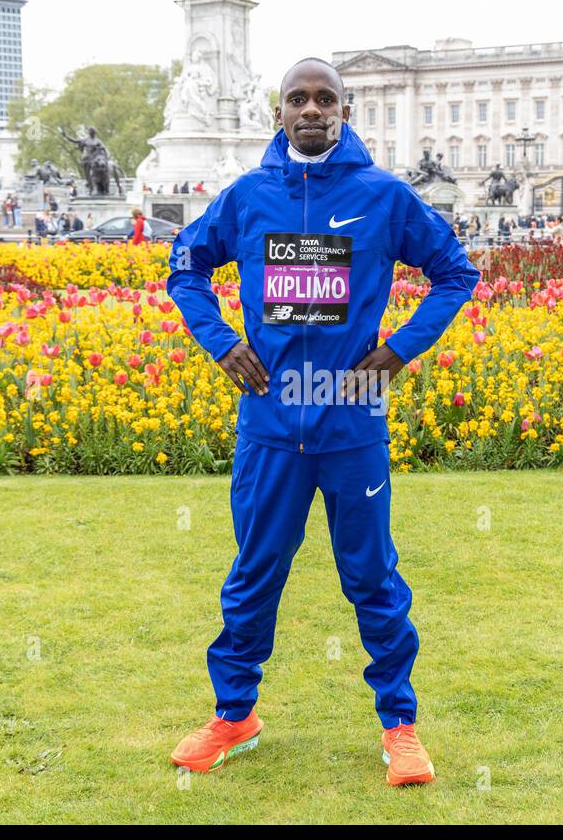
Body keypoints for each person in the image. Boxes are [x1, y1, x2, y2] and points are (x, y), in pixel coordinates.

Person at [166, 57, 478, 786]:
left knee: (372, 577)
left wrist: (397, 351)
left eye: (324, 98)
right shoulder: (247, 198)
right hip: (271, 428)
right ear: (278, 112)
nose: (311, 109)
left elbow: (455, 272)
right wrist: (223, 342)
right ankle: (234, 715)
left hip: (351, 428)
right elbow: (185, 269)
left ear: (345, 109)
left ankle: (399, 727)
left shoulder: (383, 197)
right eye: (297, 99)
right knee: (254, 574)